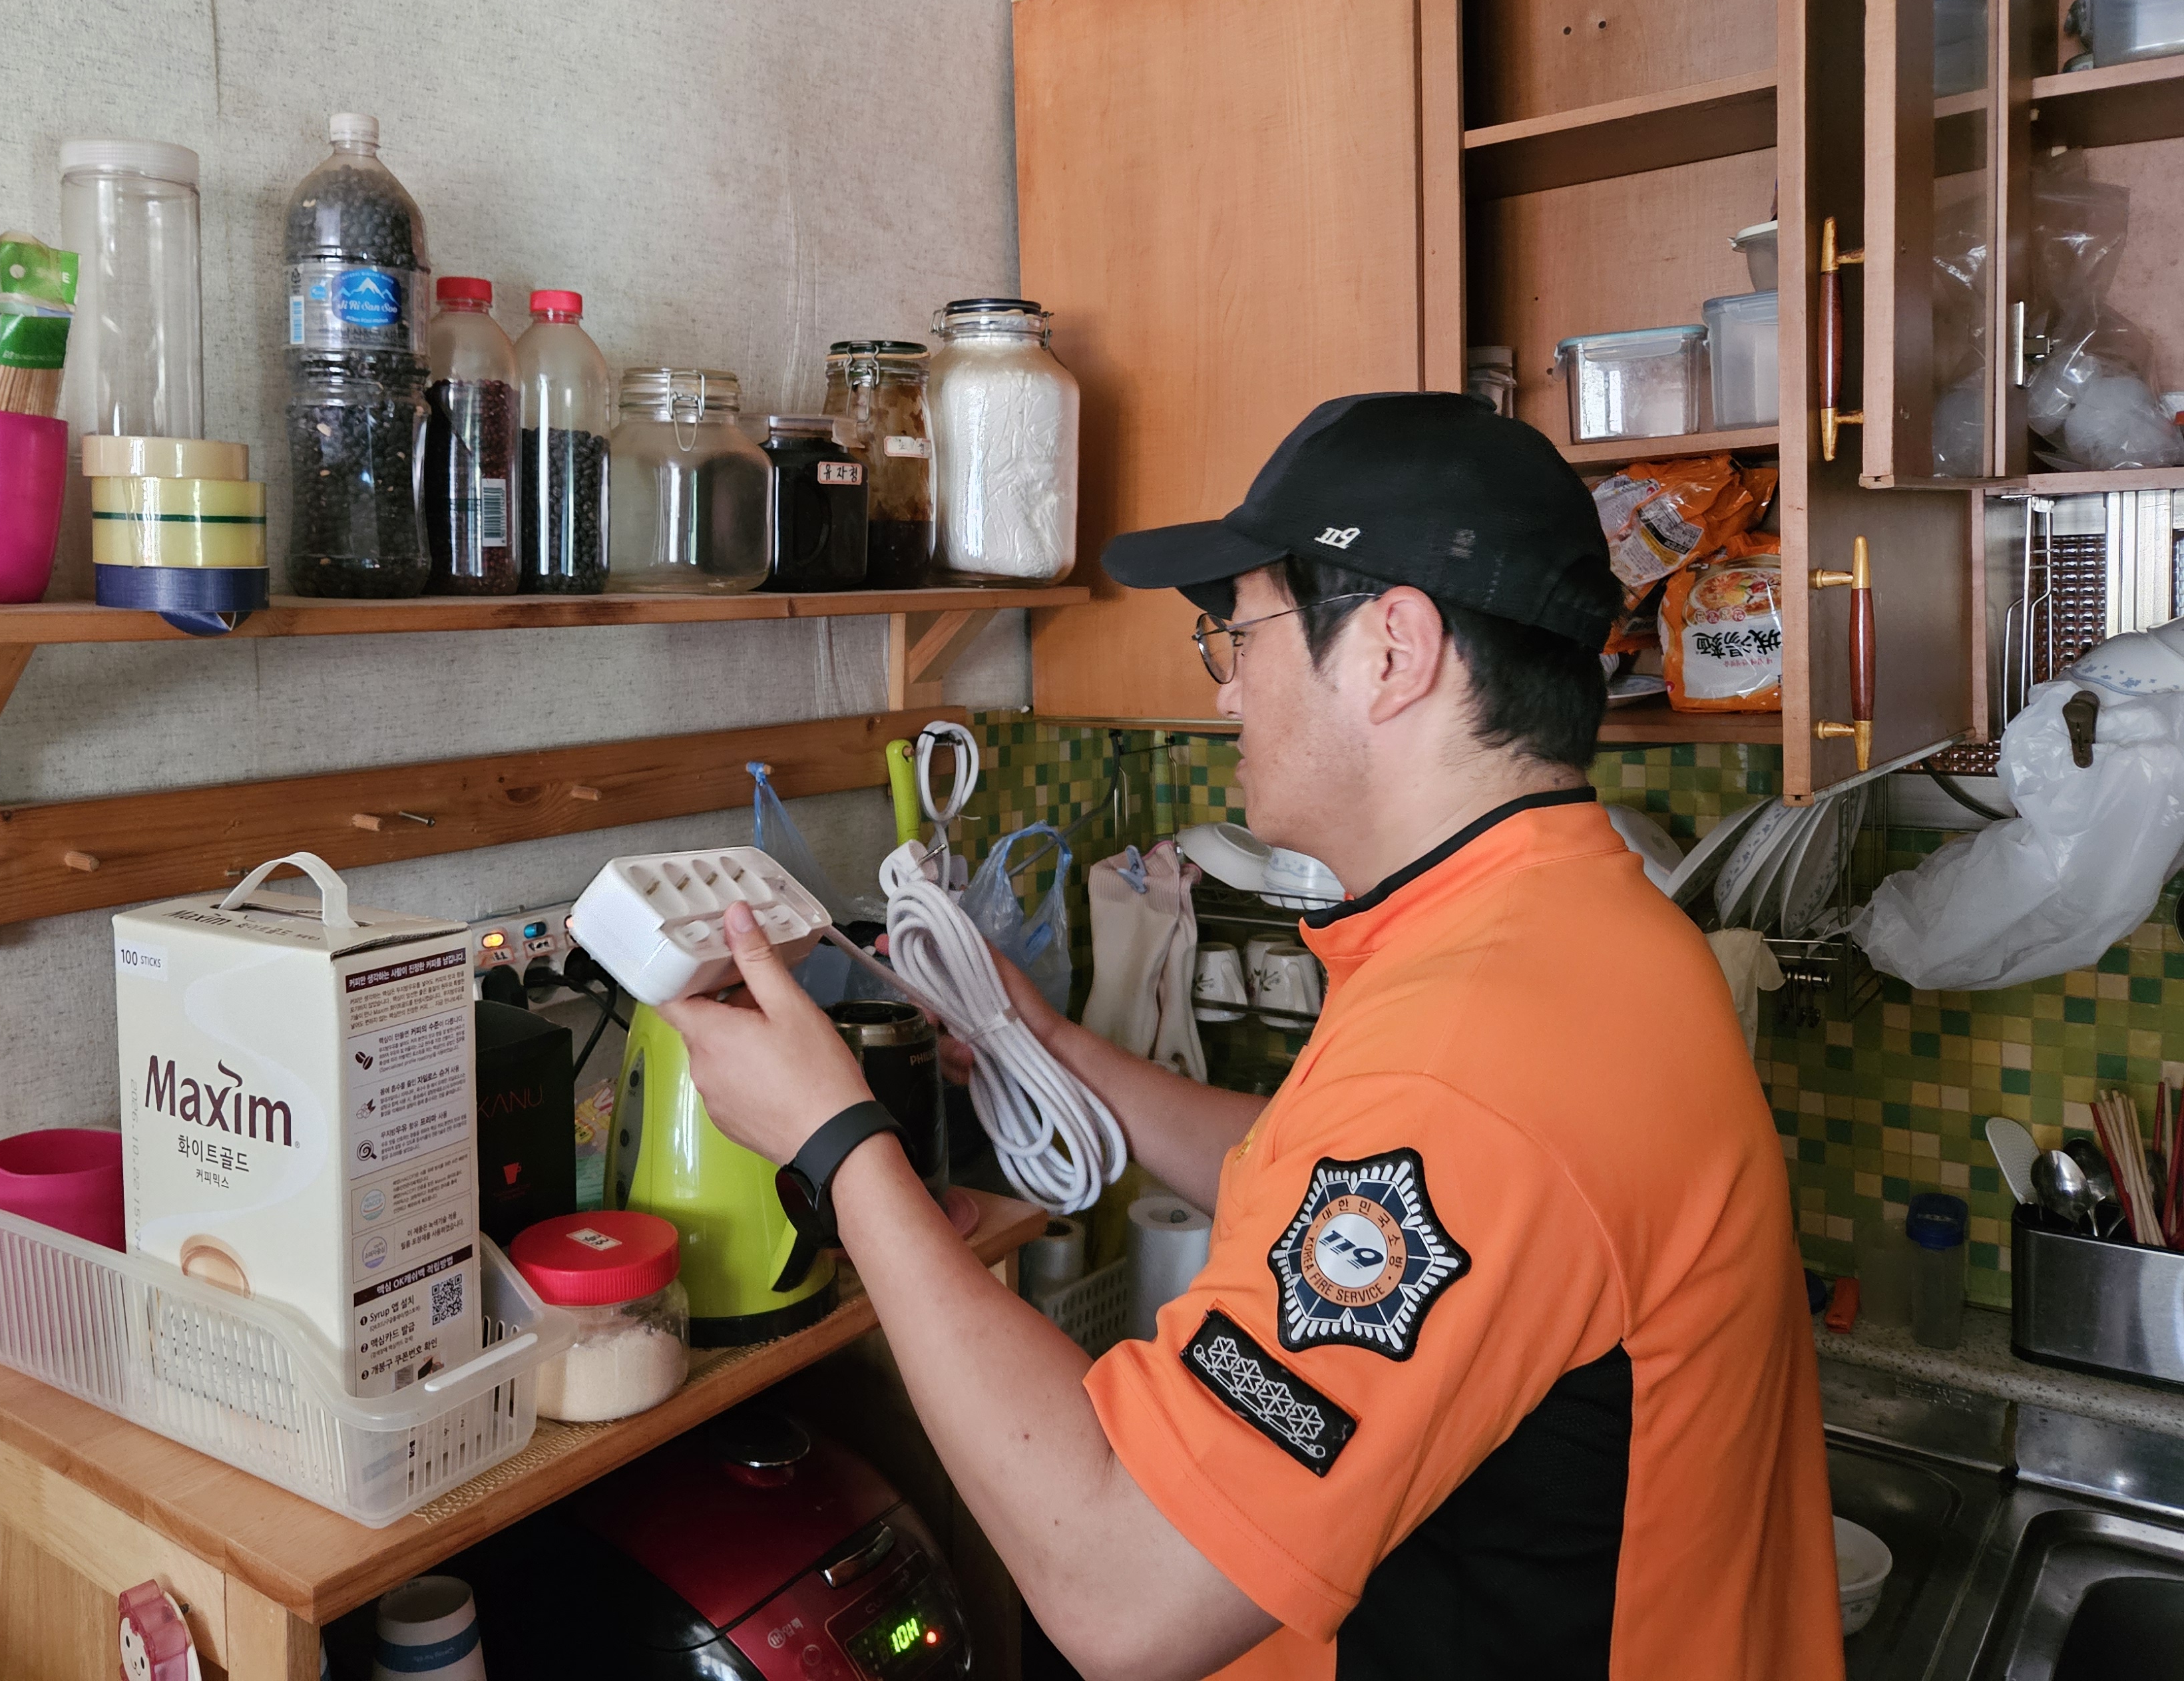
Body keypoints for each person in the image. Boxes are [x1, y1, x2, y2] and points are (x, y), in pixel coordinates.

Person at [660, 393, 1841, 1680]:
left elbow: (1122, 1589)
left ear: (1393, 650)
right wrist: (1045, 1045)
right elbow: (1324, 1183)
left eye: (1241, 631)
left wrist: (838, 1144)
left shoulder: (1469, 1058)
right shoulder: (1576, 936)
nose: (1228, 692)